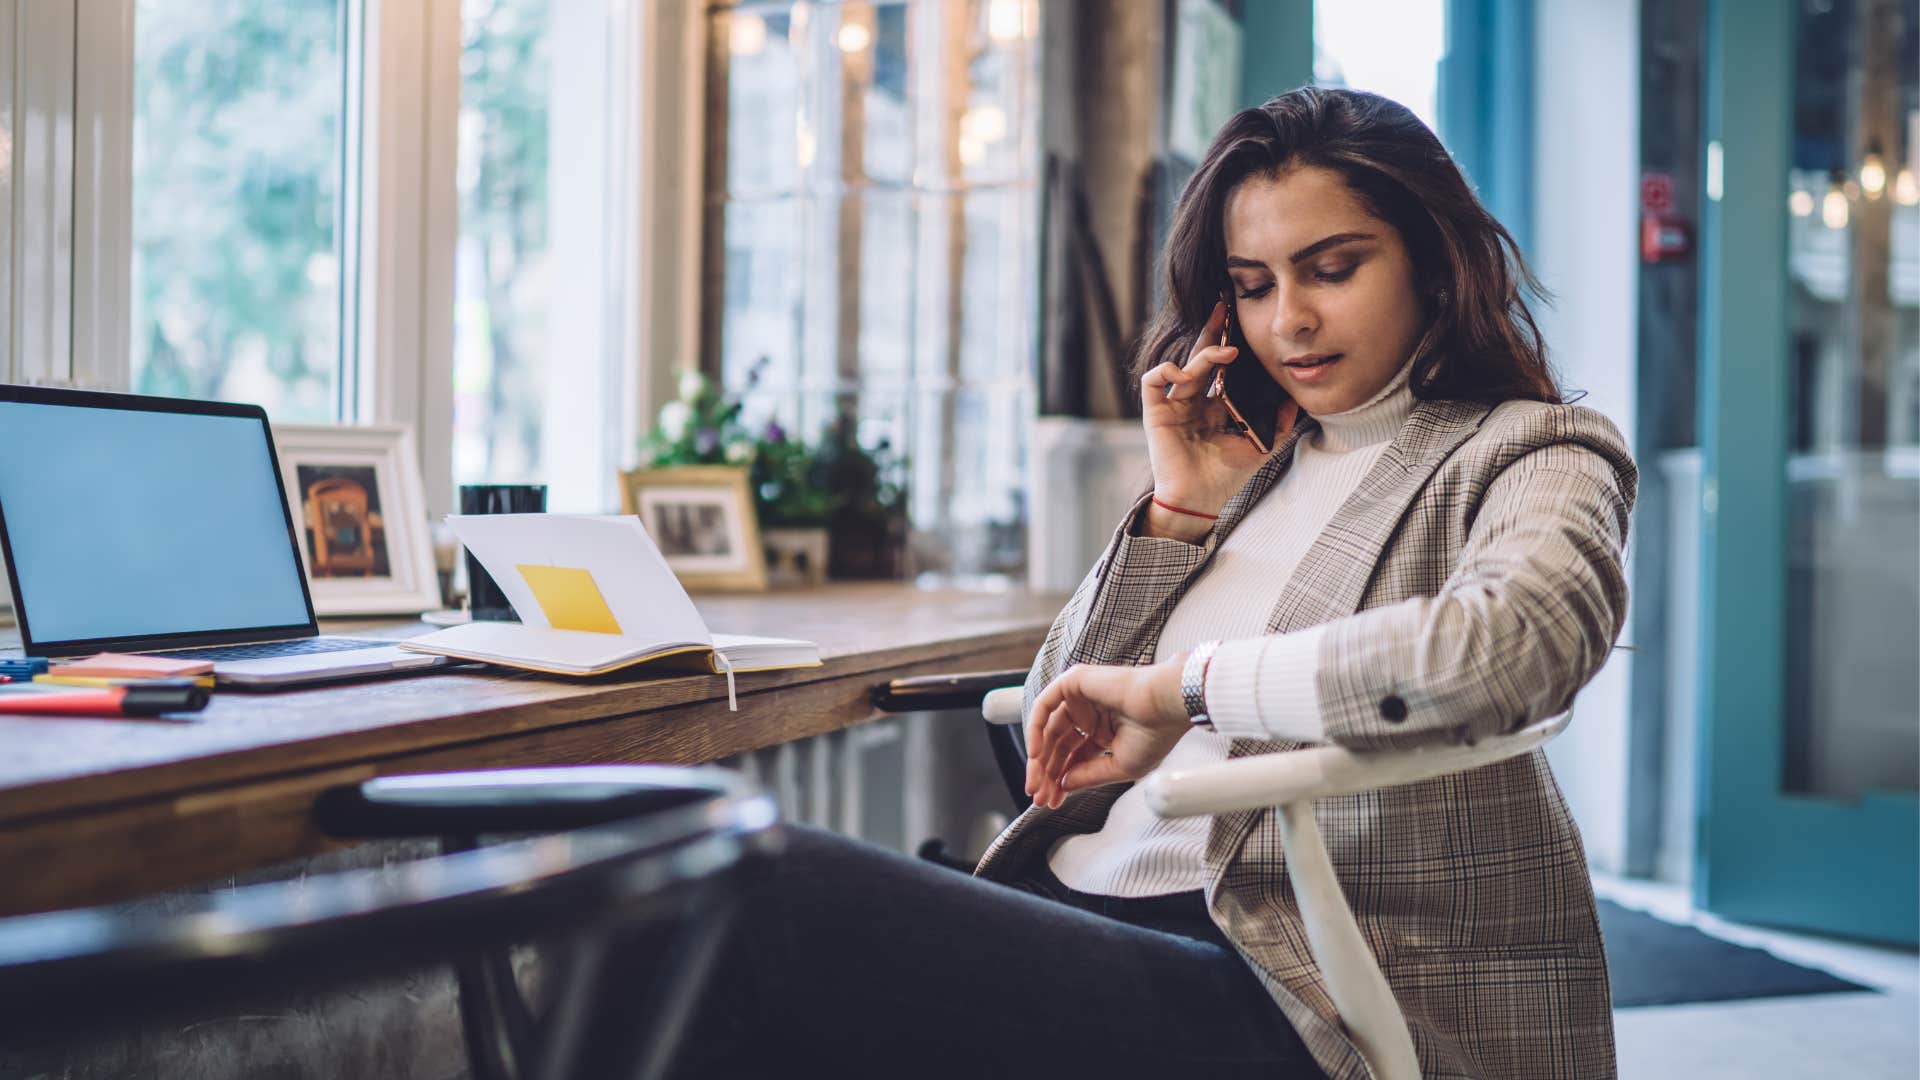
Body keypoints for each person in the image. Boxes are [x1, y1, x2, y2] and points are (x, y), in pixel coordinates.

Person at [673, 86, 1634, 1080]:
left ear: (1434, 263)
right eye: (1253, 287)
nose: (1290, 321)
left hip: (1286, 977)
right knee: (686, 927)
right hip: (1076, 903)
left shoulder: (1530, 450)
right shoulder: (1255, 467)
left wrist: (1184, 687)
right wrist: (1181, 514)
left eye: (1332, 270)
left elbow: (1512, 647)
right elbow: (1059, 704)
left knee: (742, 885)